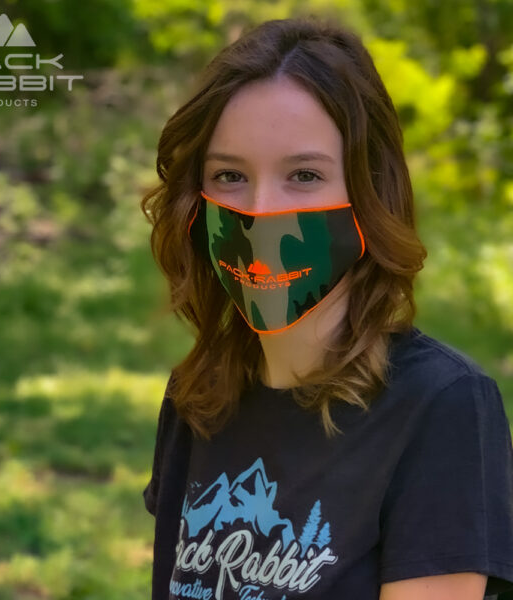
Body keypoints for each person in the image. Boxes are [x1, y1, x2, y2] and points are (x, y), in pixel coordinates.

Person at [140, 15, 513, 600]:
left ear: (369, 194)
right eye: (230, 175)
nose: (262, 212)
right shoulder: (197, 396)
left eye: (304, 175)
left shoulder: (441, 406)